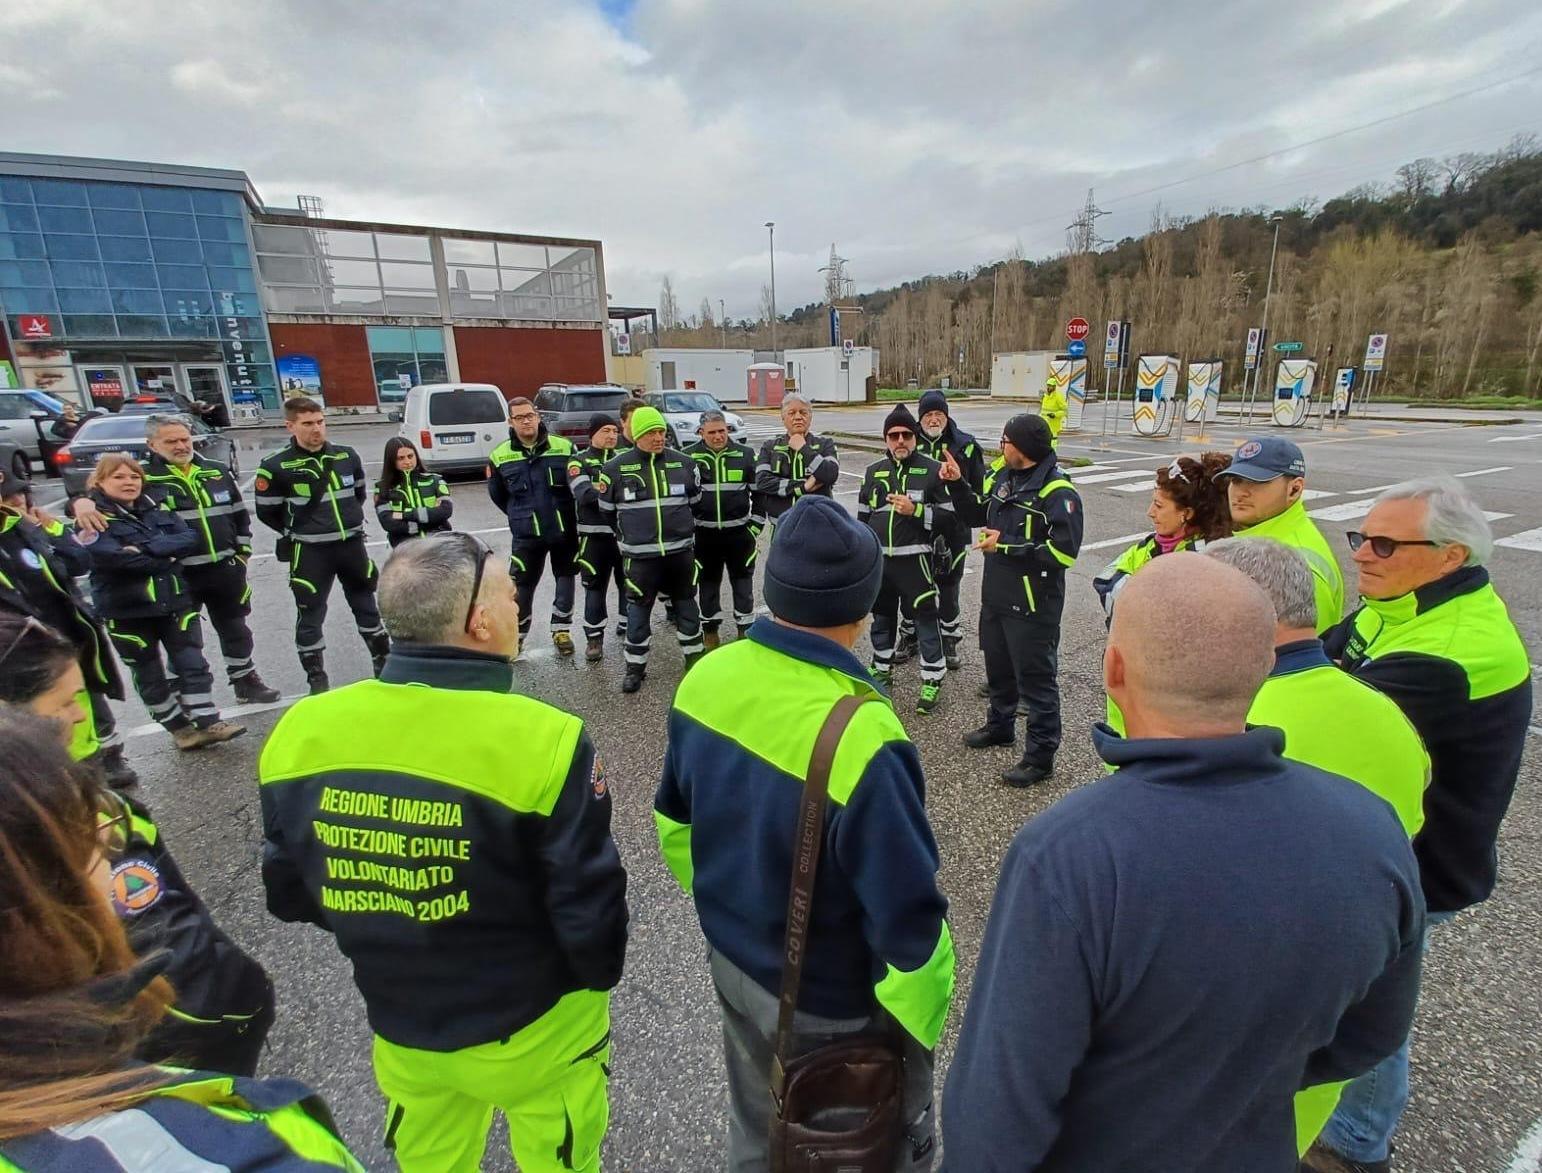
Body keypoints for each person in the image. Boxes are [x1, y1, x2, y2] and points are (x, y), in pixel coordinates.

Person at [941, 553, 1425, 1173]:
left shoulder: (1070, 852)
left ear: (1114, 668)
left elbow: (1001, 1103)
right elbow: (1373, 1035)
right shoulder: (1369, 825)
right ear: (1267, 664)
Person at [260, 535, 629, 1173]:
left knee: (429, 1157)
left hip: (401, 1017)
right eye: (512, 598)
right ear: (478, 623)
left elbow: (288, 892)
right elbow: (589, 912)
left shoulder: (301, 730)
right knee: (560, 1154)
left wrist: (393, 916)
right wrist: (594, 978)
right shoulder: (545, 739)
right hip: (537, 1023)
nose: (521, 609)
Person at [654, 495, 955, 1171]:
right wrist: (917, 1036)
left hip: (735, 963)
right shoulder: (863, 734)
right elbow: (911, 928)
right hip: (830, 1005)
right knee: (850, 1147)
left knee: (759, 1123)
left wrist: (739, 908)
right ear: (863, 607)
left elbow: (673, 821)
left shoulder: (709, 674)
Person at [0, 710, 363, 1172]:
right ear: (36, 910)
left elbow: (287, 886)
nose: (112, 852)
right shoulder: (219, 1155)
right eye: (89, 843)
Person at [1309, 477, 1532, 1173]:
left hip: (1417, 860)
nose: (1361, 556)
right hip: (1393, 837)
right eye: (1359, 537)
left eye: (1382, 543)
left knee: (1366, 1000)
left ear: (1449, 554)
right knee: (1363, 991)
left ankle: (1355, 1143)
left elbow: (1330, 716)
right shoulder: (1401, 604)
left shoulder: (1449, 650)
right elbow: (1326, 653)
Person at [1203, 538, 1431, 1156]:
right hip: (1329, 1038)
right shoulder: (1386, 715)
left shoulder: (1235, 726)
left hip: (1235, 1067)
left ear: (1241, 613)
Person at [0, 612, 277, 1077]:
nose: (80, 715)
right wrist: (237, 1006)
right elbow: (163, 950)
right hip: (147, 1059)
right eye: (63, 704)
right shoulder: (72, 820)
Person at [73, 414, 281, 704]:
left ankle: (244, 680)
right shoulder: (144, 478)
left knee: (236, 629)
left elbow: (239, 516)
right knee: (184, 641)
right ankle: (183, 693)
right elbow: (102, 497)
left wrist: (242, 553)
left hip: (224, 569)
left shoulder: (217, 471)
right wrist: (81, 503)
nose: (181, 446)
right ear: (152, 445)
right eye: (171, 441)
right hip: (177, 574)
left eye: (184, 439)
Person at [82, 455, 245, 750]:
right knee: (149, 674)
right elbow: (111, 557)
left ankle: (209, 721)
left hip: (172, 602)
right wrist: (164, 556)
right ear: (100, 482)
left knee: (192, 662)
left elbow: (188, 537)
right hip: (127, 611)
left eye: (133, 477)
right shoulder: (92, 517)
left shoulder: (154, 509)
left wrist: (143, 549)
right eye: (119, 477)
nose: (129, 482)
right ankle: (179, 729)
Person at [960, 414, 1083, 786]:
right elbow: (975, 512)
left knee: (1037, 683)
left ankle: (1040, 758)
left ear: (1024, 447)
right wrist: (955, 486)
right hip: (997, 598)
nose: (1002, 447)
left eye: (1006, 441)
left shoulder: (1058, 492)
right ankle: (1000, 726)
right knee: (998, 670)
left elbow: (1064, 553)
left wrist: (1007, 546)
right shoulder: (1004, 478)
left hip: (1033, 606)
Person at [0, 468, 134, 784]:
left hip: (68, 638)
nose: (15, 500)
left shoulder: (24, 529)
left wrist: (53, 528)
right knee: (40, 721)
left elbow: (77, 561)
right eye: (8, 497)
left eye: (17, 493)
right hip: (22, 654)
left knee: (86, 703)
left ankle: (105, 759)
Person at [254, 396, 390, 694]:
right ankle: (317, 678)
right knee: (310, 613)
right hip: (310, 552)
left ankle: (383, 662)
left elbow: (358, 495)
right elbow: (267, 511)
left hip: (351, 546)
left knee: (367, 606)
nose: (316, 429)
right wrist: (307, 529)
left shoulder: (346, 456)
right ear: (290, 426)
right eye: (307, 424)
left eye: (319, 422)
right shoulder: (275, 466)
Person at [597, 405, 705, 693]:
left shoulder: (684, 463)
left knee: (686, 605)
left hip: (679, 554)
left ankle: (695, 661)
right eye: (651, 432)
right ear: (636, 435)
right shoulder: (614, 469)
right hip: (640, 558)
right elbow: (607, 512)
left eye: (661, 431)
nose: (658, 437)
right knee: (638, 611)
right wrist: (630, 537)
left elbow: (695, 503)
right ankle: (635, 668)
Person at [857, 404, 952, 714]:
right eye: (894, 435)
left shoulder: (932, 469)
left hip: (916, 562)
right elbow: (862, 518)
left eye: (906, 435)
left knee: (925, 620)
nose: (900, 440)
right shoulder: (873, 472)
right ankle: (882, 670)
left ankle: (932, 678)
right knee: (882, 618)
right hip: (881, 563)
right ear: (886, 439)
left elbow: (952, 519)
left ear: (915, 437)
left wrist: (918, 512)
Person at [1215, 436, 1343, 633]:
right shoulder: (1260, 538)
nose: (1240, 492)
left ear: (1294, 489)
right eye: (1236, 480)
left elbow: (1301, 651)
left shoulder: (1299, 564)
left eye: (1257, 482)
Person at [488, 395, 580, 657]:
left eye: (529, 415)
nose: (525, 421)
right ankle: (517, 635)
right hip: (527, 534)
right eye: (519, 417)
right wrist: (519, 515)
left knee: (565, 578)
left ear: (538, 417)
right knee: (522, 585)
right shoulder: (500, 455)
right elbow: (498, 495)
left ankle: (561, 630)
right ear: (510, 421)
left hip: (563, 529)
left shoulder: (564, 447)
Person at [1092, 452, 1233, 621]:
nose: (1150, 512)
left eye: (1158, 505)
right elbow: (1104, 579)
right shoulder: (1154, 543)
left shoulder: (1204, 558)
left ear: (1187, 513)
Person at [901, 388, 986, 670]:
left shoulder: (967, 446)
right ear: (920, 417)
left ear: (947, 416)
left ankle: (949, 639)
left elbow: (977, 489)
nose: (934, 419)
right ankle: (910, 635)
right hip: (915, 527)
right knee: (911, 585)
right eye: (928, 414)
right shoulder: (907, 441)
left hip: (954, 530)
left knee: (949, 588)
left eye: (939, 414)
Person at [687, 410, 763, 650]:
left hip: (739, 535)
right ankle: (710, 633)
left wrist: (755, 526)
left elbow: (759, 494)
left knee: (743, 587)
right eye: (712, 432)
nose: (719, 436)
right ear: (701, 432)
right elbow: (682, 499)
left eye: (723, 430)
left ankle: (744, 633)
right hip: (704, 536)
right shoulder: (689, 458)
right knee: (708, 586)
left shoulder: (746, 455)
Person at [568, 411, 628, 661]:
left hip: (623, 537)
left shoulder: (626, 459)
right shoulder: (578, 462)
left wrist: (602, 489)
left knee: (629, 586)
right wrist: (615, 492)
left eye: (615, 431)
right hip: (593, 540)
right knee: (594, 589)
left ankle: (628, 630)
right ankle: (594, 639)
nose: (612, 435)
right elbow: (584, 494)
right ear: (592, 434)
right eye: (606, 431)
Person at [754, 394, 840, 524]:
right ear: (783, 418)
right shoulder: (770, 447)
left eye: (803, 412)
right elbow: (762, 482)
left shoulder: (825, 444)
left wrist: (803, 448)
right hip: (782, 527)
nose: (798, 417)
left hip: (817, 526)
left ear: (810, 417)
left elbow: (830, 474)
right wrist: (803, 486)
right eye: (792, 413)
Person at [375, 436, 453, 547]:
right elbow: (388, 524)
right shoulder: (382, 489)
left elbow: (445, 511)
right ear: (391, 461)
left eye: (410, 456)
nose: (407, 462)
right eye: (400, 458)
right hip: (406, 549)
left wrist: (403, 515)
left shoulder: (435, 481)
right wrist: (430, 523)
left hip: (439, 545)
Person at [1038, 374, 1067, 441]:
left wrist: (1055, 415)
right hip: (1044, 423)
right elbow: (1043, 410)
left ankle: (1053, 451)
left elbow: (1065, 411)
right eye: (1048, 385)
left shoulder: (1058, 396)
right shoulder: (1045, 396)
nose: (1049, 387)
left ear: (1054, 387)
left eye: (1051, 386)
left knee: (1053, 440)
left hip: (1053, 424)